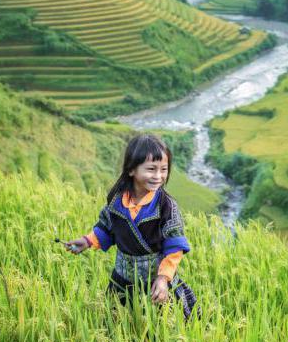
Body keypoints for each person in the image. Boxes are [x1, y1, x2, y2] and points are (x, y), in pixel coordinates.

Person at [65, 134, 199, 321]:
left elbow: (174, 247)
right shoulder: (117, 201)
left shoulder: (166, 206)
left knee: (160, 324)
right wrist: (87, 241)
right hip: (122, 278)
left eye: (164, 170)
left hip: (155, 281)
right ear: (131, 170)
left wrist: (163, 279)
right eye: (151, 169)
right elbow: (106, 227)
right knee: (118, 321)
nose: (158, 176)